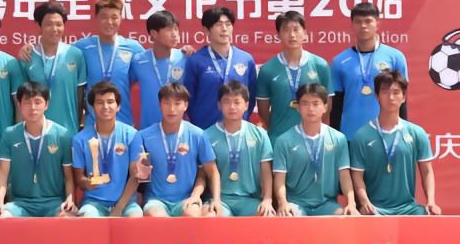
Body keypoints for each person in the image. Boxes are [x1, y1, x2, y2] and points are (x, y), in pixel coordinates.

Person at [350, 71, 440, 215]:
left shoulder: (417, 133)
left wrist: (431, 201)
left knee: (429, 216)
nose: (391, 97)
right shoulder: (362, 135)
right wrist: (365, 202)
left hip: (409, 209)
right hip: (376, 209)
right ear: (377, 96)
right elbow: (357, 175)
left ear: (404, 97)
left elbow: (427, 171)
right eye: (385, 92)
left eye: (396, 92)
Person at [129, 83, 220, 217]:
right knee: (157, 217)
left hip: (187, 199)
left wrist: (214, 199)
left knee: (192, 214)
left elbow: (212, 172)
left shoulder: (198, 135)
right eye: (167, 103)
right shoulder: (144, 136)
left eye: (177, 103)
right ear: (160, 105)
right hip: (156, 200)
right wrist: (140, 170)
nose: (172, 109)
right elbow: (139, 176)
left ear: (185, 105)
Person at [273, 84, 357, 216]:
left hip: (327, 204)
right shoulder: (284, 141)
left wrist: (351, 203)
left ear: (325, 107)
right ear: (298, 107)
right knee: (287, 217)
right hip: (296, 203)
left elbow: (344, 175)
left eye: (316, 103)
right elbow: (279, 179)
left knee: (345, 218)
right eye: (305, 103)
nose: (310, 108)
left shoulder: (338, 139)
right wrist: (282, 202)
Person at [0, 82, 76, 217]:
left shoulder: (63, 135)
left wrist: (70, 199)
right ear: (19, 104)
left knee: (67, 218)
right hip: (20, 203)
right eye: (27, 102)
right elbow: (3, 173)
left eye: (38, 102)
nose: (32, 107)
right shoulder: (10, 134)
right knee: (3, 217)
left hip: (54, 202)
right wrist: (0, 202)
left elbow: (69, 177)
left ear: (46, 104)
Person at [330, 2, 409, 140]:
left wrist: (403, 132)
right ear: (352, 24)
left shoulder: (395, 57)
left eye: (368, 21)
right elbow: (336, 106)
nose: (363, 26)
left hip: (386, 135)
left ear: (377, 23)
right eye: (358, 22)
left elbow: (401, 100)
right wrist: (335, 139)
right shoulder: (339, 61)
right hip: (351, 136)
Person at [257, 11, 333, 143]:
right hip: (278, 139)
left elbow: (327, 106)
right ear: (278, 35)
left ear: (305, 33)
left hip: (311, 140)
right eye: (286, 30)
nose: (292, 35)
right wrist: (278, 129)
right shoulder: (267, 70)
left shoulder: (320, 65)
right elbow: (263, 113)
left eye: (296, 29)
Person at [203, 81, 274, 217]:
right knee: (210, 217)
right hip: (220, 200)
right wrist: (215, 200)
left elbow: (266, 170)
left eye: (237, 102)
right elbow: (204, 173)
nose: (232, 107)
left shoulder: (260, 134)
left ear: (246, 105)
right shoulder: (207, 136)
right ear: (219, 105)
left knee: (268, 217)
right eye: (226, 102)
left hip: (249, 199)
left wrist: (267, 199)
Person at [72, 82, 142, 217]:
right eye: (100, 102)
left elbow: (136, 176)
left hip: (126, 202)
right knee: (87, 217)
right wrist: (86, 182)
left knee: (136, 217)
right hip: (94, 202)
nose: (105, 107)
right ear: (92, 107)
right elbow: (79, 177)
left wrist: (119, 208)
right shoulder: (80, 139)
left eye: (110, 102)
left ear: (118, 106)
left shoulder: (132, 135)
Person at [73, 0, 144, 126]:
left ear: (121, 18)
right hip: (92, 125)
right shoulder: (82, 47)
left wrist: (182, 52)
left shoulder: (134, 48)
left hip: (124, 123)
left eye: (114, 17)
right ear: (96, 18)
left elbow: (156, 64)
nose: (109, 22)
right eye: (104, 17)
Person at [184, 7, 256, 129]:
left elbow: (251, 94)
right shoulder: (196, 61)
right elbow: (189, 96)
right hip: (205, 129)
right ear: (207, 30)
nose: (224, 29)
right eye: (218, 24)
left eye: (228, 24)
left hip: (237, 130)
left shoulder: (246, 59)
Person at [22, 2, 87, 133]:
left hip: (68, 130)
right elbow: (22, 99)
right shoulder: (27, 58)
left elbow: (80, 95)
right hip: (36, 132)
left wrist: (80, 125)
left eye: (59, 24)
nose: (54, 29)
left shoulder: (75, 55)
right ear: (39, 26)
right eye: (48, 24)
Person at [130, 10, 187, 129]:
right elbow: (124, 88)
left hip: (178, 130)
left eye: (176, 29)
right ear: (154, 33)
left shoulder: (185, 58)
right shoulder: (138, 61)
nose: (175, 34)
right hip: (147, 129)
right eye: (169, 29)